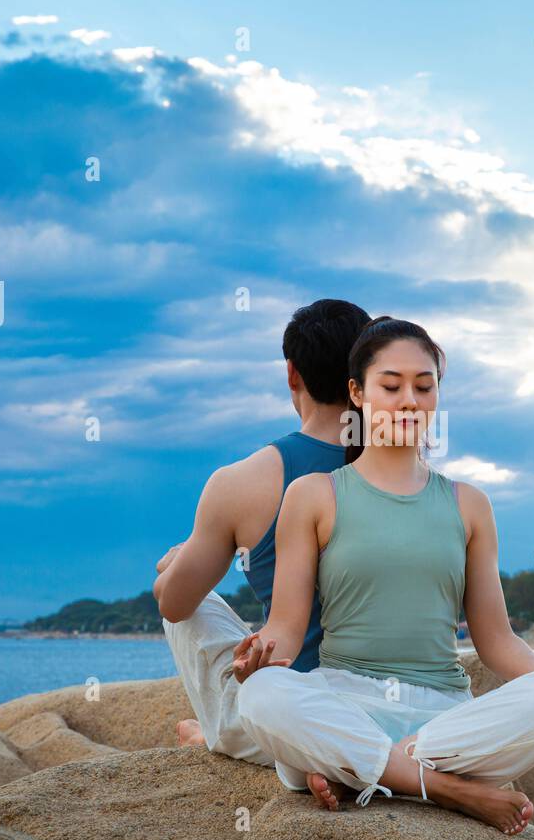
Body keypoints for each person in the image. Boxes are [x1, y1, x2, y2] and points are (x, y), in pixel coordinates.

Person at [230, 316, 534, 835]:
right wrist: (257, 661)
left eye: (424, 387)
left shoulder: (469, 505)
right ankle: (444, 788)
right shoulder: (313, 495)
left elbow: (495, 639)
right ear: (357, 392)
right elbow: (285, 627)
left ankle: (370, 770)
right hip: (344, 699)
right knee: (263, 696)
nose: (409, 401)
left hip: (443, 722)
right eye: (391, 386)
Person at [153, 299, 371, 766]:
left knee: (188, 592)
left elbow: (174, 606)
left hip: (285, 720)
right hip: (384, 714)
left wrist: (171, 567)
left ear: (292, 373)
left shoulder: (240, 481)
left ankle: (219, 732)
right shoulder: (401, 471)